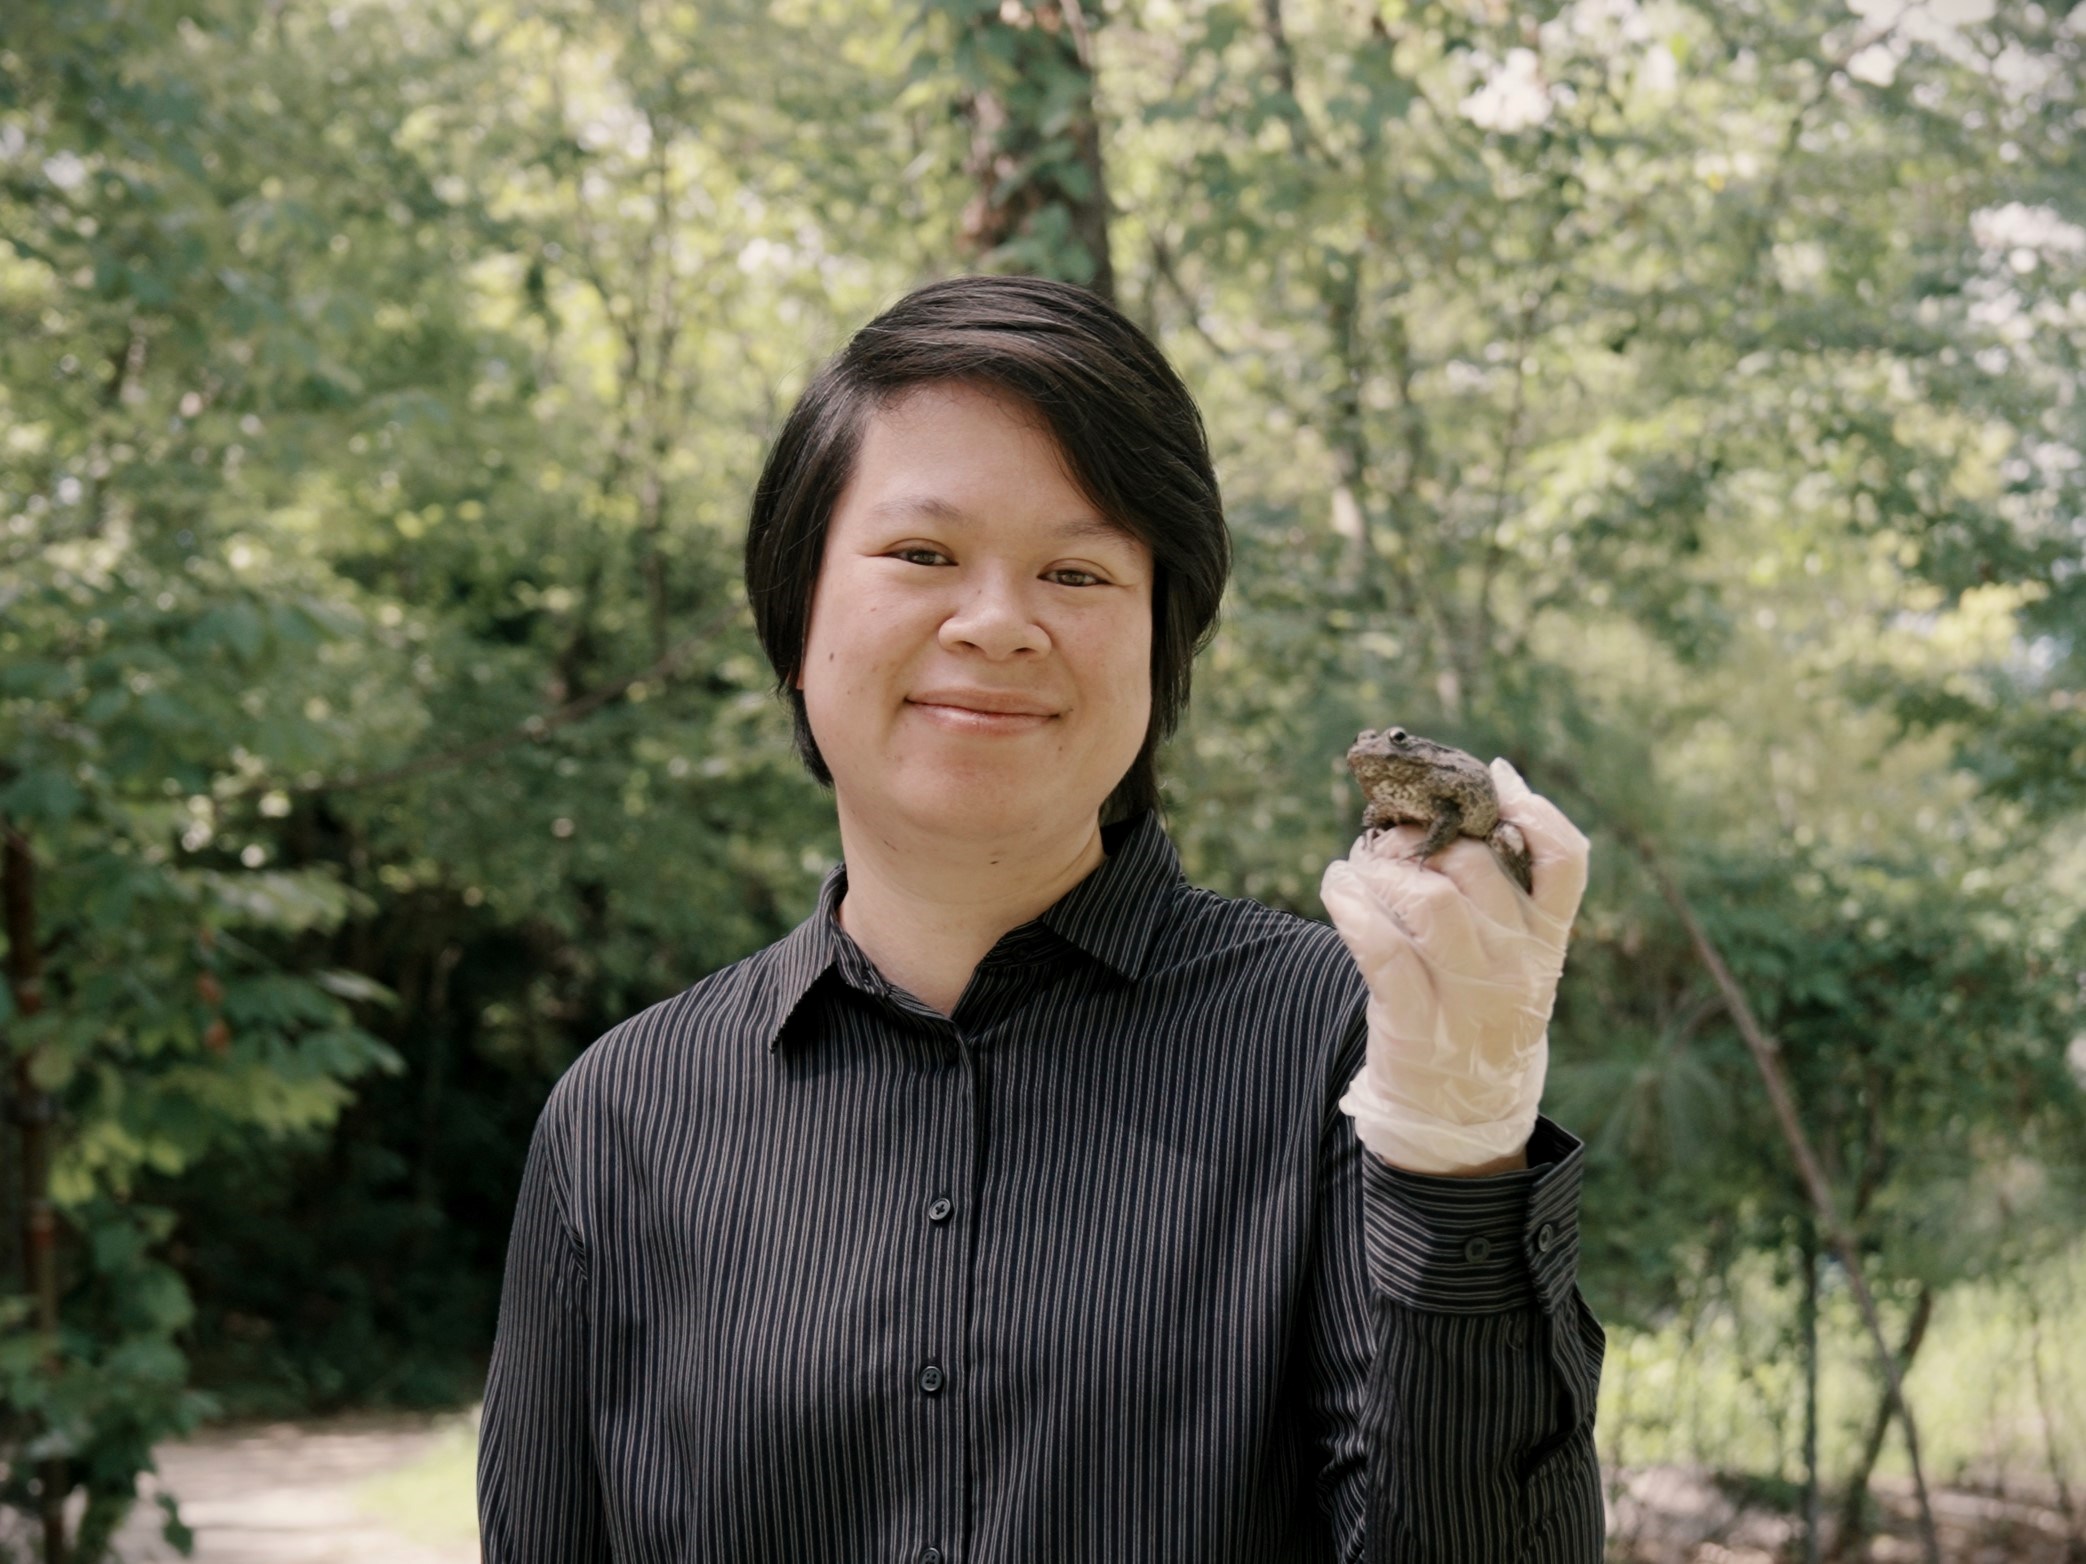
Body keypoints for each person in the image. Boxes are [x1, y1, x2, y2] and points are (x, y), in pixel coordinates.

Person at [477, 274, 1605, 1563]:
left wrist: (1457, 1153)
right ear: (793, 620)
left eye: (1076, 571)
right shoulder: (626, 1115)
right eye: (921, 554)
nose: (999, 623)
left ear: (1159, 650)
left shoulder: (1352, 1045)